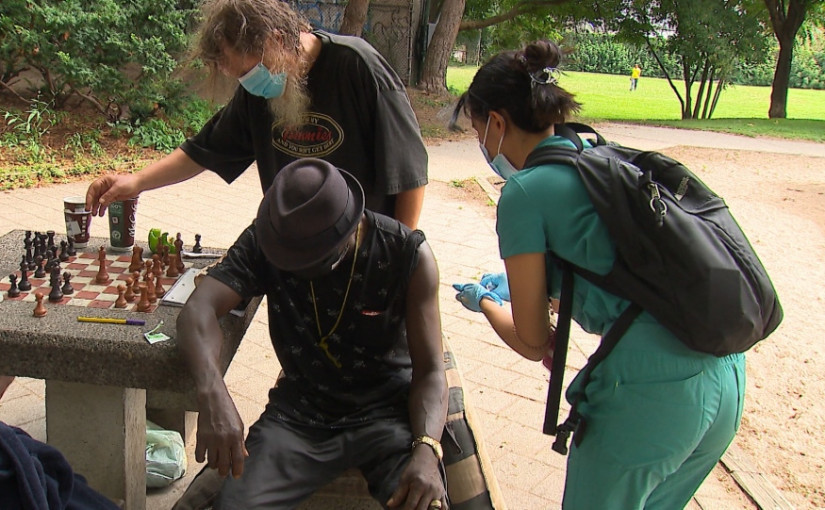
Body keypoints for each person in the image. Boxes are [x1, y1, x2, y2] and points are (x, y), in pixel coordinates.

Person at [449, 40, 745, 509]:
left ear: (498, 123)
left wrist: (484, 301)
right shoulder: (595, 154)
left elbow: (532, 341)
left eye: (478, 130)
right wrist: (546, 293)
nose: (481, 143)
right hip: (724, 376)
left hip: (650, 391)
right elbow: (616, 275)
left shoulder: (524, 192)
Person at [176, 158, 448, 509]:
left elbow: (431, 370)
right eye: (286, 258)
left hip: (386, 413)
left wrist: (427, 448)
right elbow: (197, 311)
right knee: (233, 505)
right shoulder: (269, 239)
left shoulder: (406, 253)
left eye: (308, 260)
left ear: (349, 231)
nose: (292, 266)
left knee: (425, 501)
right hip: (299, 416)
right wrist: (213, 394)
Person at [85, 0, 428, 229]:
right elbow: (204, 150)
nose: (249, 84)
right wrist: (136, 182)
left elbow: (410, 175)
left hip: (364, 251)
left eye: (247, 72)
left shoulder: (358, 67)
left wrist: (398, 257)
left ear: (276, 41)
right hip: (297, 250)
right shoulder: (259, 90)